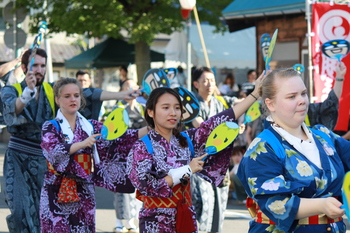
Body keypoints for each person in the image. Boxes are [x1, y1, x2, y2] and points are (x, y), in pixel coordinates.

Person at [127, 77, 264, 232]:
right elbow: (146, 186)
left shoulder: (186, 139)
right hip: (156, 221)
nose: (173, 113)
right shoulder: (142, 146)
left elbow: (215, 124)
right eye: (165, 107)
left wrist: (254, 95)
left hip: (186, 216)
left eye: (177, 108)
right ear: (150, 112)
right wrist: (186, 170)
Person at [237, 68, 350, 233]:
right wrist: (321, 205)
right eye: (292, 96)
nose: (302, 100)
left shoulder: (323, 135)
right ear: (270, 104)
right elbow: (275, 202)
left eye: (303, 93)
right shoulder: (262, 148)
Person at [39, 77, 148, 232]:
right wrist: (82, 144)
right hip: (56, 190)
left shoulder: (90, 126)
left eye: (76, 95)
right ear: (57, 99)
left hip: (84, 190)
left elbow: (122, 137)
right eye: (67, 96)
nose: (73, 99)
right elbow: (54, 152)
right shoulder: (50, 126)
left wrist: (153, 127)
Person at [189, 66, 248, 233]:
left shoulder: (222, 102)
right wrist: (230, 131)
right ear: (196, 83)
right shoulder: (191, 106)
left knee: (219, 208)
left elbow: (241, 104)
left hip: (220, 163)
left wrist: (256, 94)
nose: (209, 84)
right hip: (199, 164)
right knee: (203, 206)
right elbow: (203, 129)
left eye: (212, 81)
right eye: (205, 81)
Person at [1, 48, 54, 233]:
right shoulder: (11, 89)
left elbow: (83, 94)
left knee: (42, 214)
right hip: (17, 159)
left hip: (43, 162)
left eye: (42, 65)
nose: (39, 70)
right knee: (19, 212)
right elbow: (10, 109)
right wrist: (26, 94)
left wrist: (122, 94)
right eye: (35, 65)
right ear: (24, 67)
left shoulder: (52, 90)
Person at [112, 79, 146, 233]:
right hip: (120, 154)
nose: (131, 89)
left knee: (136, 189)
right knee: (121, 190)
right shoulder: (117, 108)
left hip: (139, 154)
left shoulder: (142, 108)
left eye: (133, 86)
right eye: (127, 87)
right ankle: (119, 221)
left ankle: (132, 220)